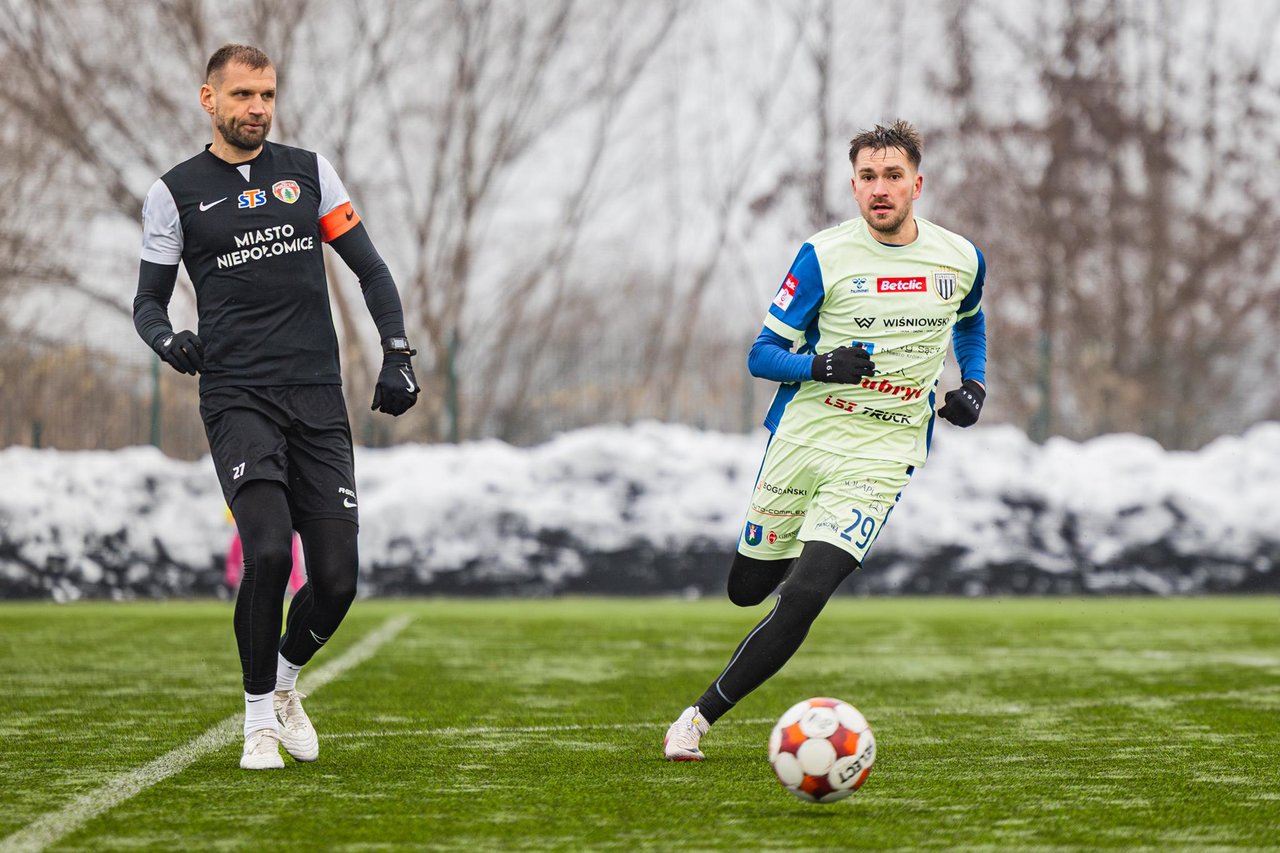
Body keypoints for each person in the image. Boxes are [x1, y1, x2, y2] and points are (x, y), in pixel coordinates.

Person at [133, 44, 420, 770]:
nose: (257, 108)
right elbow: (147, 302)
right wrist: (169, 339)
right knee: (266, 550)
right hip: (238, 397)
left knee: (337, 581)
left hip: (317, 395)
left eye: (266, 94)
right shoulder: (174, 192)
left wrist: (396, 352)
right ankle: (258, 718)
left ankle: (287, 680)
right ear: (209, 99)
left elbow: (371, 269)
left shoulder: (310, 173)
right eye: (242, 95)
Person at [663, 120, 987, 760]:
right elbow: (761, 355)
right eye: (868, 177)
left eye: (893, 176)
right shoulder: (822, 256)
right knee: (747, 590)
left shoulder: (961, 258)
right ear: (854, 185)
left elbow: (970, 325)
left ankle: (695, 720)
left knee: (805, 596)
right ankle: (802, 541)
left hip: (884, 452)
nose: (880, 188)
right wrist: (820, 365)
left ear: (917, 184)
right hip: (805, 440)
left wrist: (974, 383)